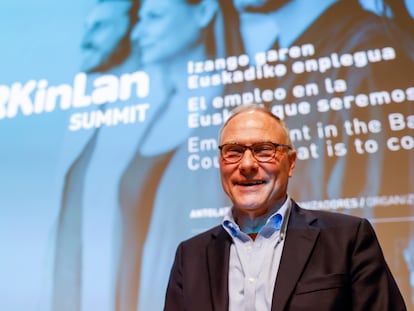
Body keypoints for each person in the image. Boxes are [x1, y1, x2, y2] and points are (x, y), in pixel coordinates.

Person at [164, 104, 407, 310]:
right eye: (234, 152)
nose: (247, 164)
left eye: (264, 150)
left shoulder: (347, 239)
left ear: (290, 163)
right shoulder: (190, 256)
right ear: (220, 163)